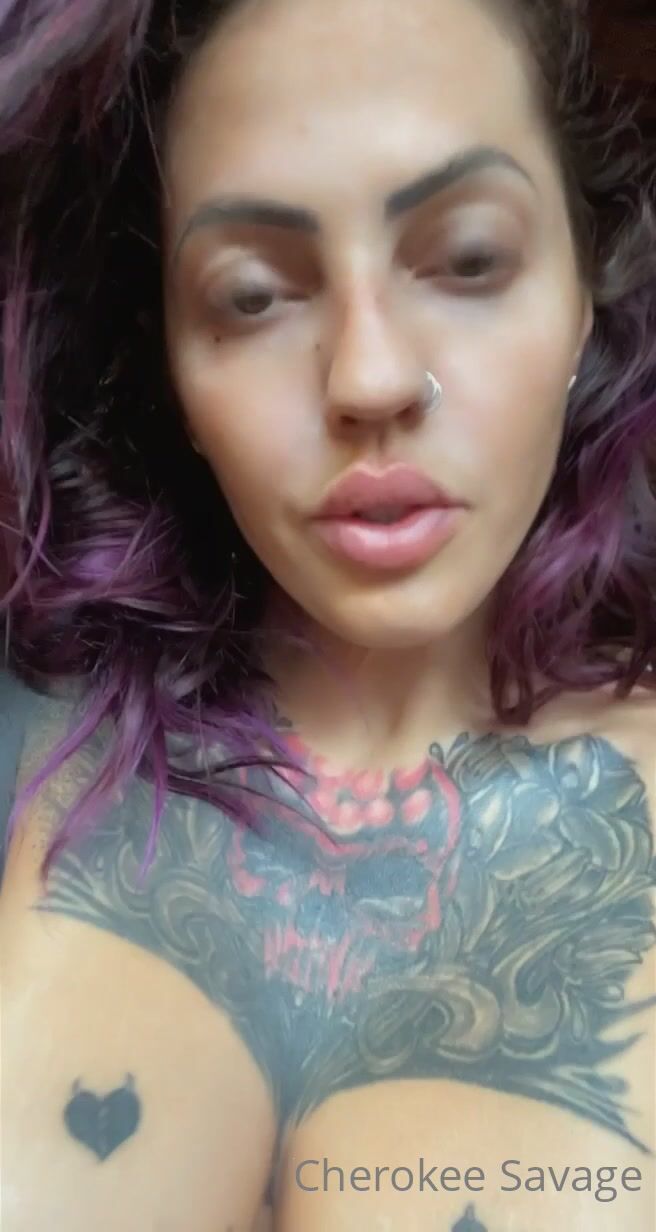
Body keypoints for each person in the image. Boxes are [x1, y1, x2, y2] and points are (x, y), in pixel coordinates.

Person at [0, 0, 654, 1228]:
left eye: (468, 259)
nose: (368, 376)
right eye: (252, 295)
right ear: (169, 364)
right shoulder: (40, 749)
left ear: (583, 291)